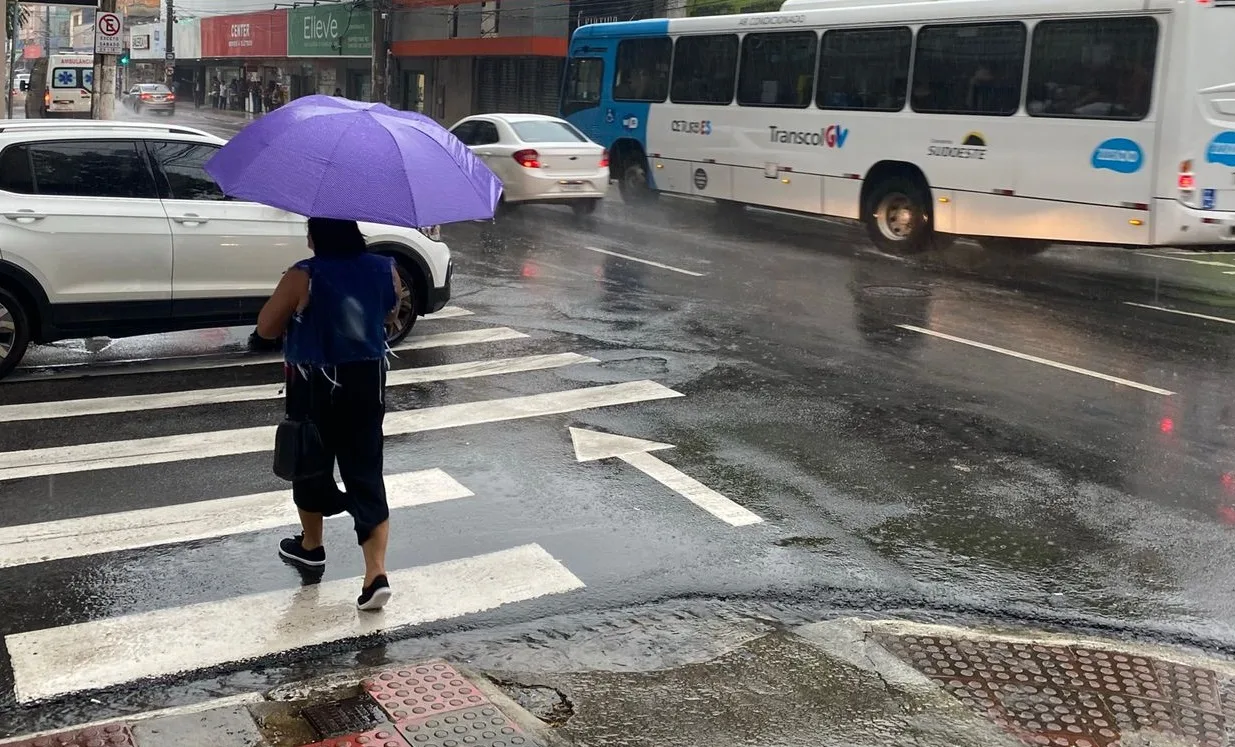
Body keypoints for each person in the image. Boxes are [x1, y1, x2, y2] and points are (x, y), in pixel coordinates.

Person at [255, 217, 402, 611]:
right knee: (366, 470)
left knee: (309, 461)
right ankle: (376, 575)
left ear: (316, 236)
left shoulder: (304, 275)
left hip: (313, 383)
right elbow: (390, 314)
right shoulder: (386, 268)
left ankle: (311, 545)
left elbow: (267, 328)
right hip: (367, 381)